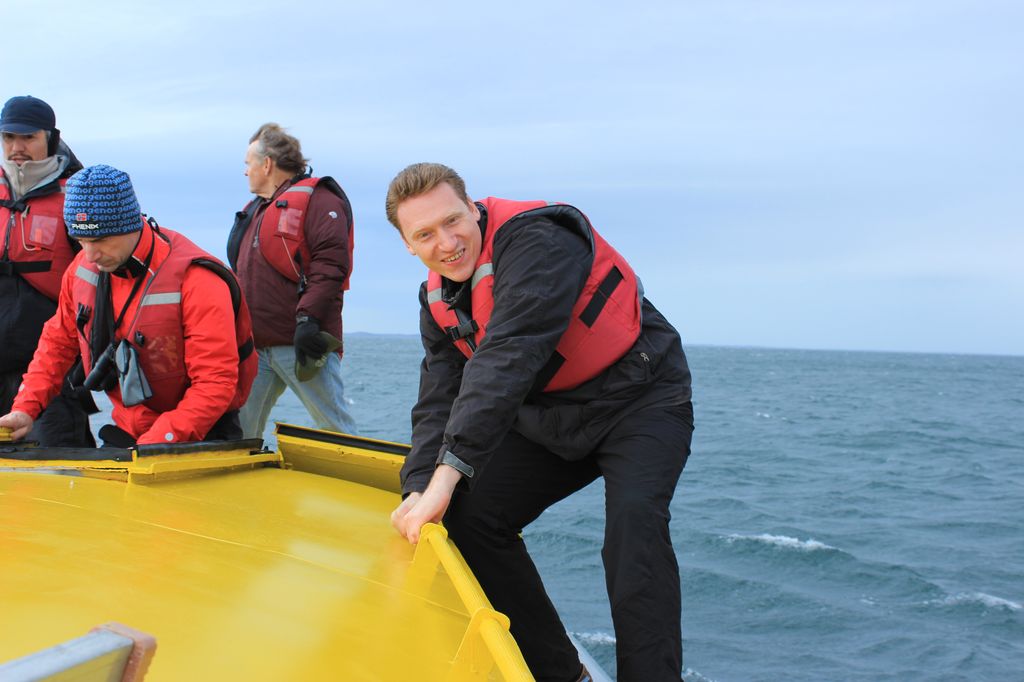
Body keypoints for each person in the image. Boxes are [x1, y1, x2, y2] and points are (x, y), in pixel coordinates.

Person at [387, 163, 694, 682]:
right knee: (468, 516)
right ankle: (559, 674)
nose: (447, 243)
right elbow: (440, 393)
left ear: (473, 208)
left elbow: (510, 353)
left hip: (641, 398)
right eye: (425, 234)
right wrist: (419, 486)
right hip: (553, 418)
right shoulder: (435, 299)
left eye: (453, 220)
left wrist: (448, 474)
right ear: (407, 245)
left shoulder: (540, 240)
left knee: (634, 531)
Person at [0, 164, 257, 447]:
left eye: (100, 239)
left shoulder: (198, 280)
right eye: (80, 240)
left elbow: (215, 383)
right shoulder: (82, 270)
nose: (90, 254)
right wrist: (25, 407)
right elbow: (57, 343)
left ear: (131, 224)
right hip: (129, 431)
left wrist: (153, 443)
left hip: (202, 433)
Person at [226, 123, 356, 440]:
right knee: (238, 432)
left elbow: (331, 266)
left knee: (336, 429)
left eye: (248, 163)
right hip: (255, 346)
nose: (245, 171)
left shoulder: (320, 201)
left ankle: (365, 471)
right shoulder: (255, 210)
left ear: (267, 164)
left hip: (302, 342)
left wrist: (307, 320)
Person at [0, 95, 95, 446]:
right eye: (9, 137)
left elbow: (105, 278)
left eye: (28, 137)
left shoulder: (77, 197)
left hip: (53, 368)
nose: (17, 147)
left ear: (51, 139)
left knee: (61, 464)